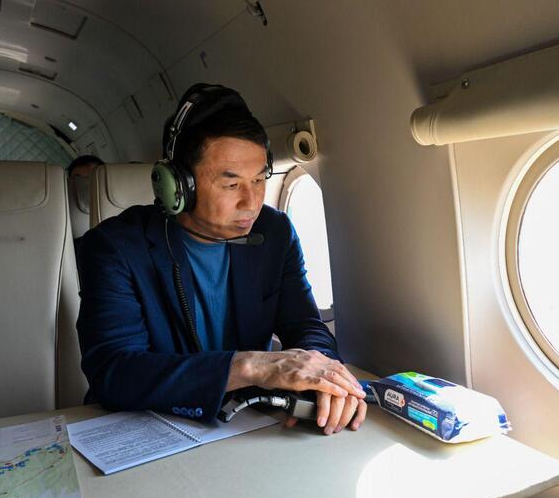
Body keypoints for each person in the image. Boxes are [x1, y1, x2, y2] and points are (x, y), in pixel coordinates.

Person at [76, 84, 367, 435]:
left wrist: (323, 379)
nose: (252, 202)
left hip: (243, 425)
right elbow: (114, 373)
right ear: (179, 186)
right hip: (143, 427)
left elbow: (306, 326)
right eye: (232, 185)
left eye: (259, 180)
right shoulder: (114, 247)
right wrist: (250, 366)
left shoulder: (275, 232)